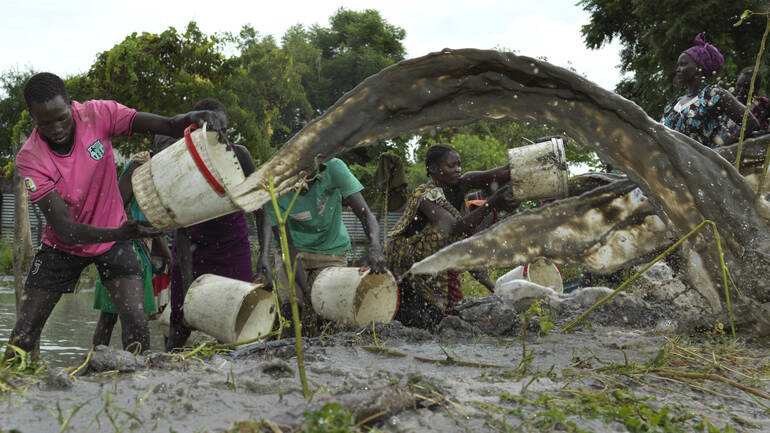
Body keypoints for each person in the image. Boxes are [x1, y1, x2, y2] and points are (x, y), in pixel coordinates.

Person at [6, 72, 225, 359]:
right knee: (23, 333)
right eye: (44, 123)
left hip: (113, 237)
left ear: (71, 105)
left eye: (61, 117)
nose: (55, 128)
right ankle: (11, 391)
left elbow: (168, 125)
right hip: (64, 245)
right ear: (34, 119)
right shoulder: (30, 157)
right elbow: (65, 228)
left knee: (135, 322)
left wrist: (195, 116)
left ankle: (135, 389)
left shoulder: (99, 114)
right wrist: (120, 234)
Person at [384, 144, 517, 330]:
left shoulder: (463, 184)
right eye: (451, 166)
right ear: (433, 169)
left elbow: (506, 171)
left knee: (443, 321)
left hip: (437, 265)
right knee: (418, 321)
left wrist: (544, 150)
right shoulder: (424, 195)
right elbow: (453, 228)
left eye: (459, 165)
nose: (458, 170)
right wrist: (491, 203)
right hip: (410, 268)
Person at [165, 98, 259, 351]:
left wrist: (264, 260)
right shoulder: (182, 164)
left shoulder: (239, 155)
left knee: (237, 321)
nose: (221, 139)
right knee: (181, 322)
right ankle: (167, 374)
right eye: (213, 133)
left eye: (225, 132)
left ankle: (233, 378)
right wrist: (186, 289)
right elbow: (182, 231)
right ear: (196, 133)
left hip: (233, 248)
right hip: (192, 250)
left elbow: (261, 208)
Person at [258, 157, 387, 333]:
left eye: (309, 173)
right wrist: (307, 290)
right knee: (291, 315)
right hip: (294, 251)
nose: (304, 182)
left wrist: (375, 246)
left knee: (329, 318)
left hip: (331, 251)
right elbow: (287, 247)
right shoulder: (273, 184)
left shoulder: (334, 168)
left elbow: (365, 214)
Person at [91, 149, 172, 347]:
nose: (170, 145)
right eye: (165, 141)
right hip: (123, 246)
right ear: (155, 142)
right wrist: (157, 240)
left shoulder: (168, 169)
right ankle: (119, 362)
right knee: (121, 316)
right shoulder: (139, 166)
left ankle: (125, 362)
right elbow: (117, 209)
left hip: (140, 245)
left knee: (121, 315)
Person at [662, 33, 759, 148]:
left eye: (683, 64)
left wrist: (722, 147)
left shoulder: (713, 95)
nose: (678, 69)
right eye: (678, 65)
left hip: (701, 164)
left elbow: (750, 122)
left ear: (699, 68)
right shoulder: (675, 104)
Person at [733, 66, 770, 134]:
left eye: (747, 87)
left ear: (757, 88)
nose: (741, 91)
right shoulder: (729, 104)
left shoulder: (764, 104)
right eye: (739, 85)